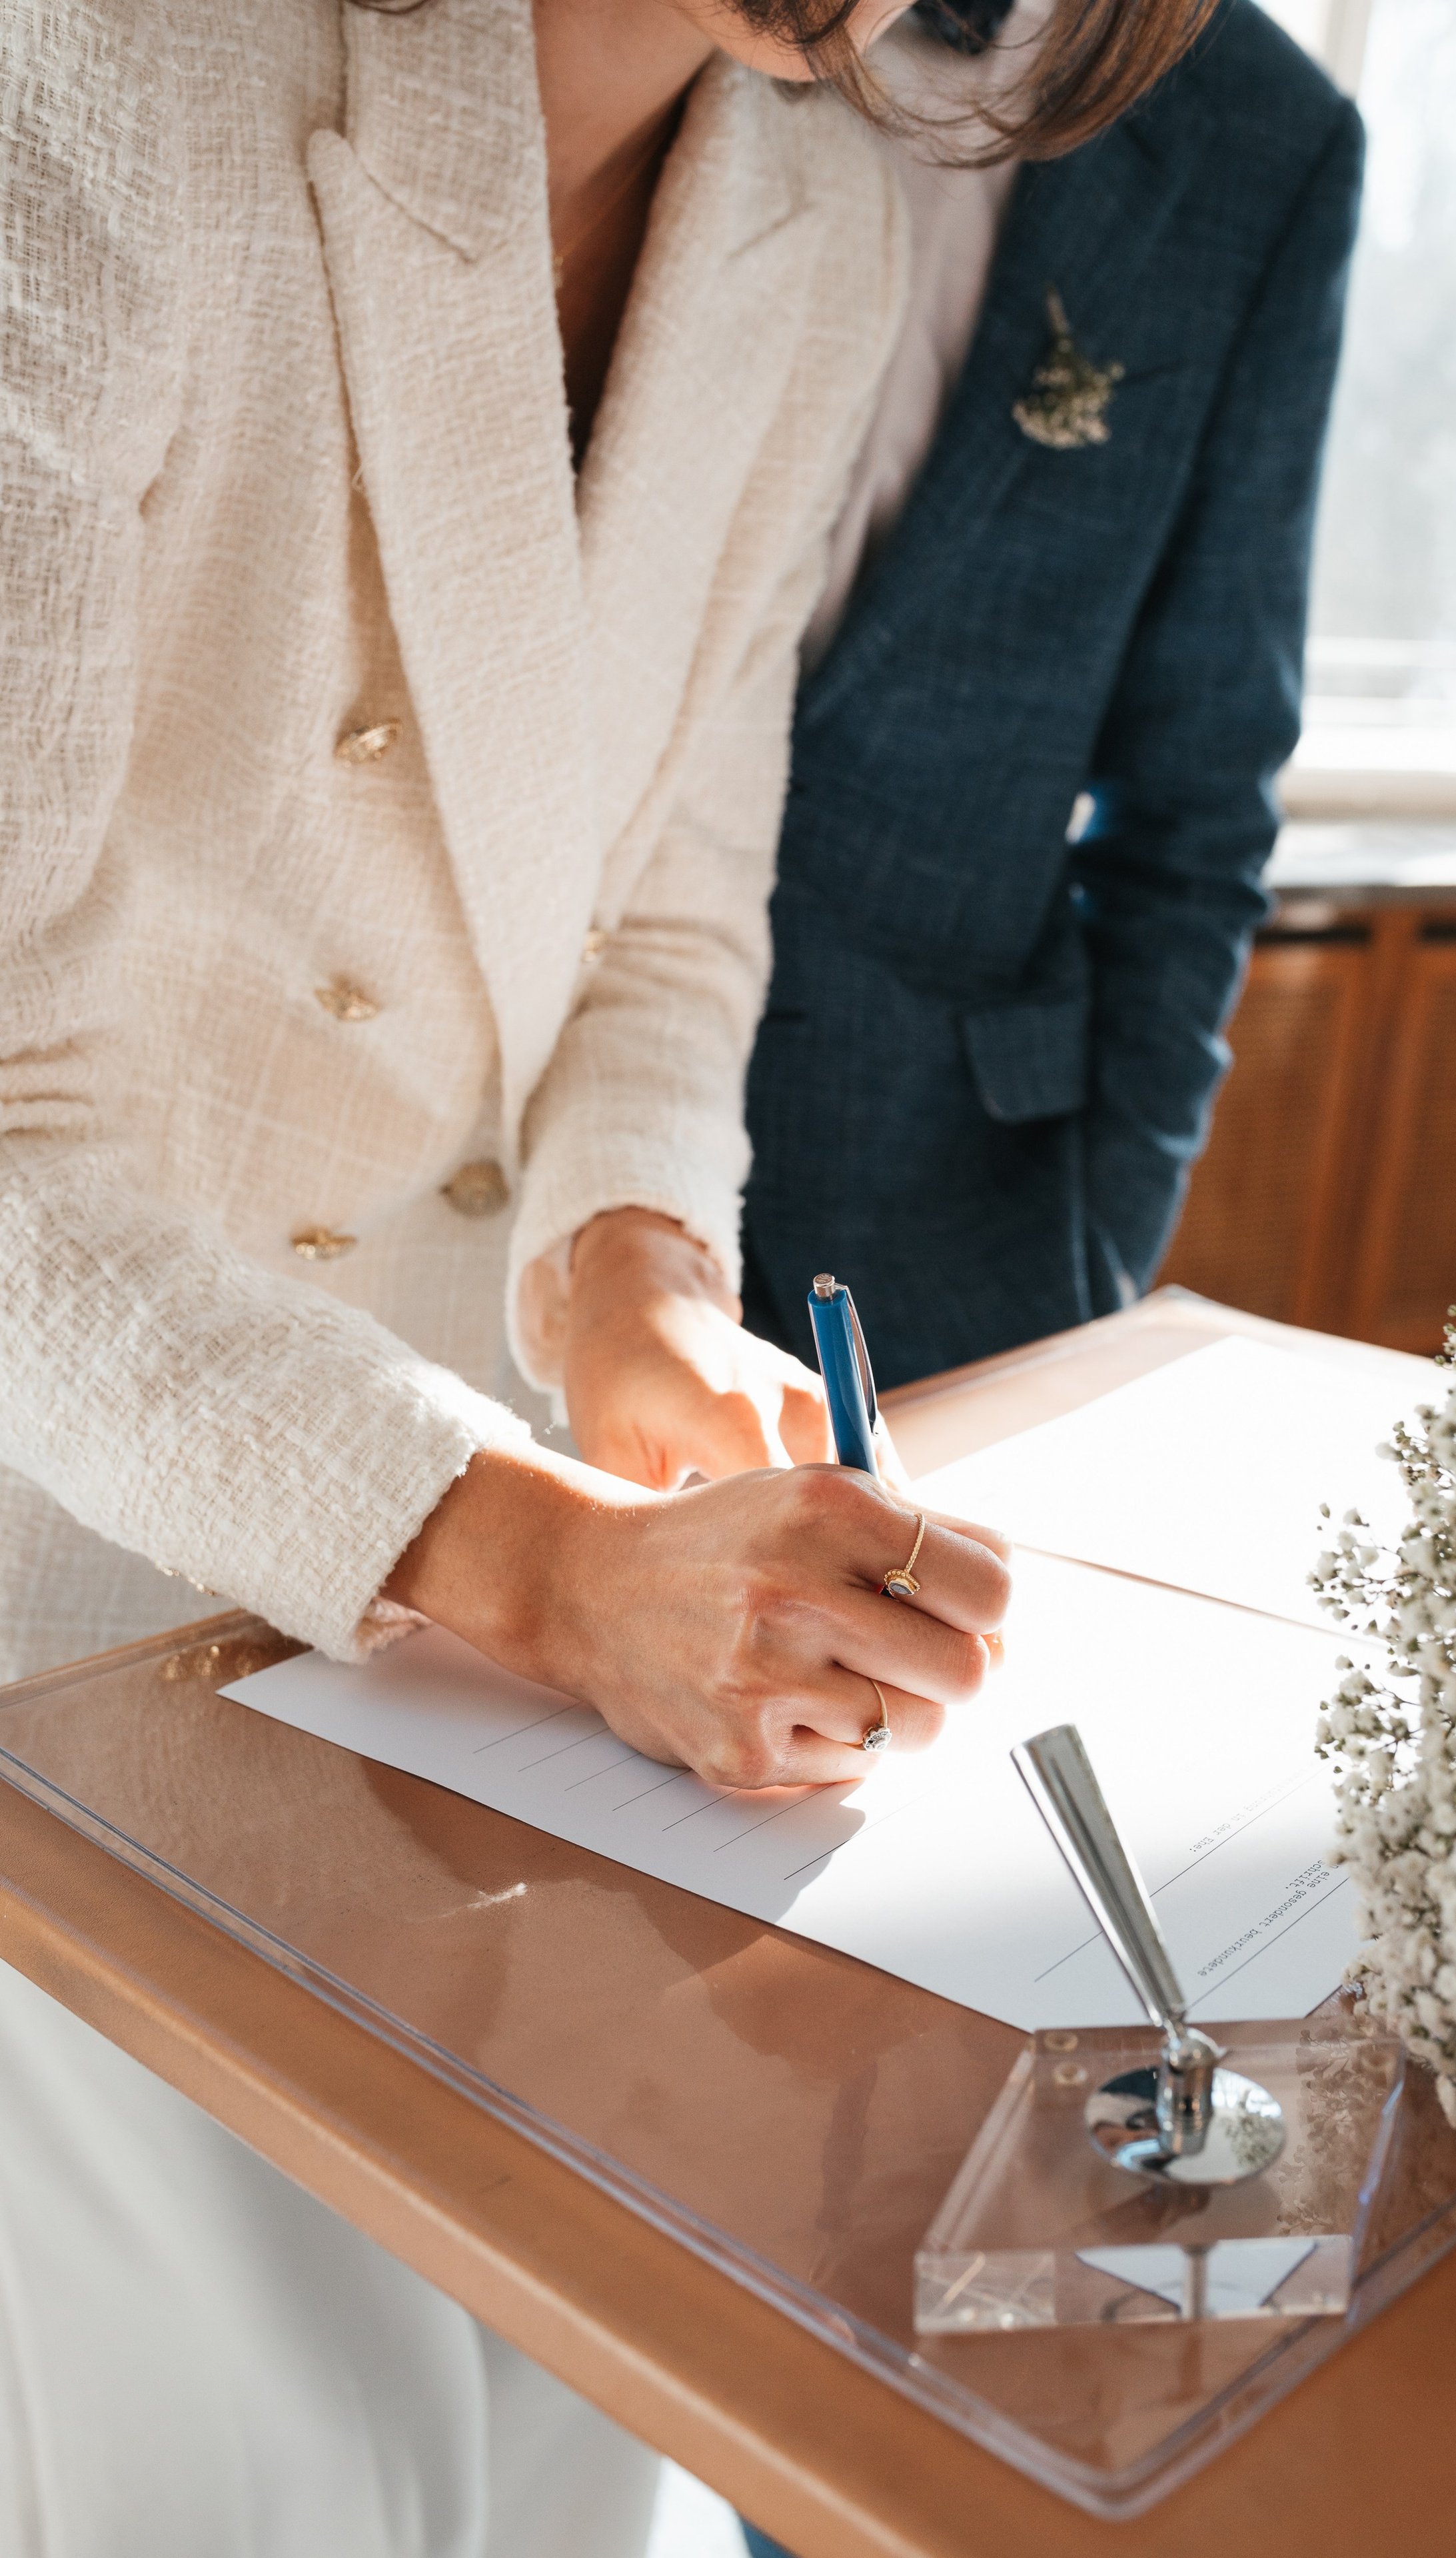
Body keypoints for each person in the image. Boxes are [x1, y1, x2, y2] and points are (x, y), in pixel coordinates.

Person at [0, 0, 1211, 2550]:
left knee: (584, 2409)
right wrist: (537, 1554)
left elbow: (670, 916)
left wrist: (636, 1293)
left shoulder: (809, 213)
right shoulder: (99, 77)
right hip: (78, 1571)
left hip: (474, 1624)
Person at [742, 0, 1365, 1392]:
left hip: (950, 1231)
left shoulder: (1264, 136)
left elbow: (1198, 798)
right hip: (495, 1154)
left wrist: (1106, 1239)